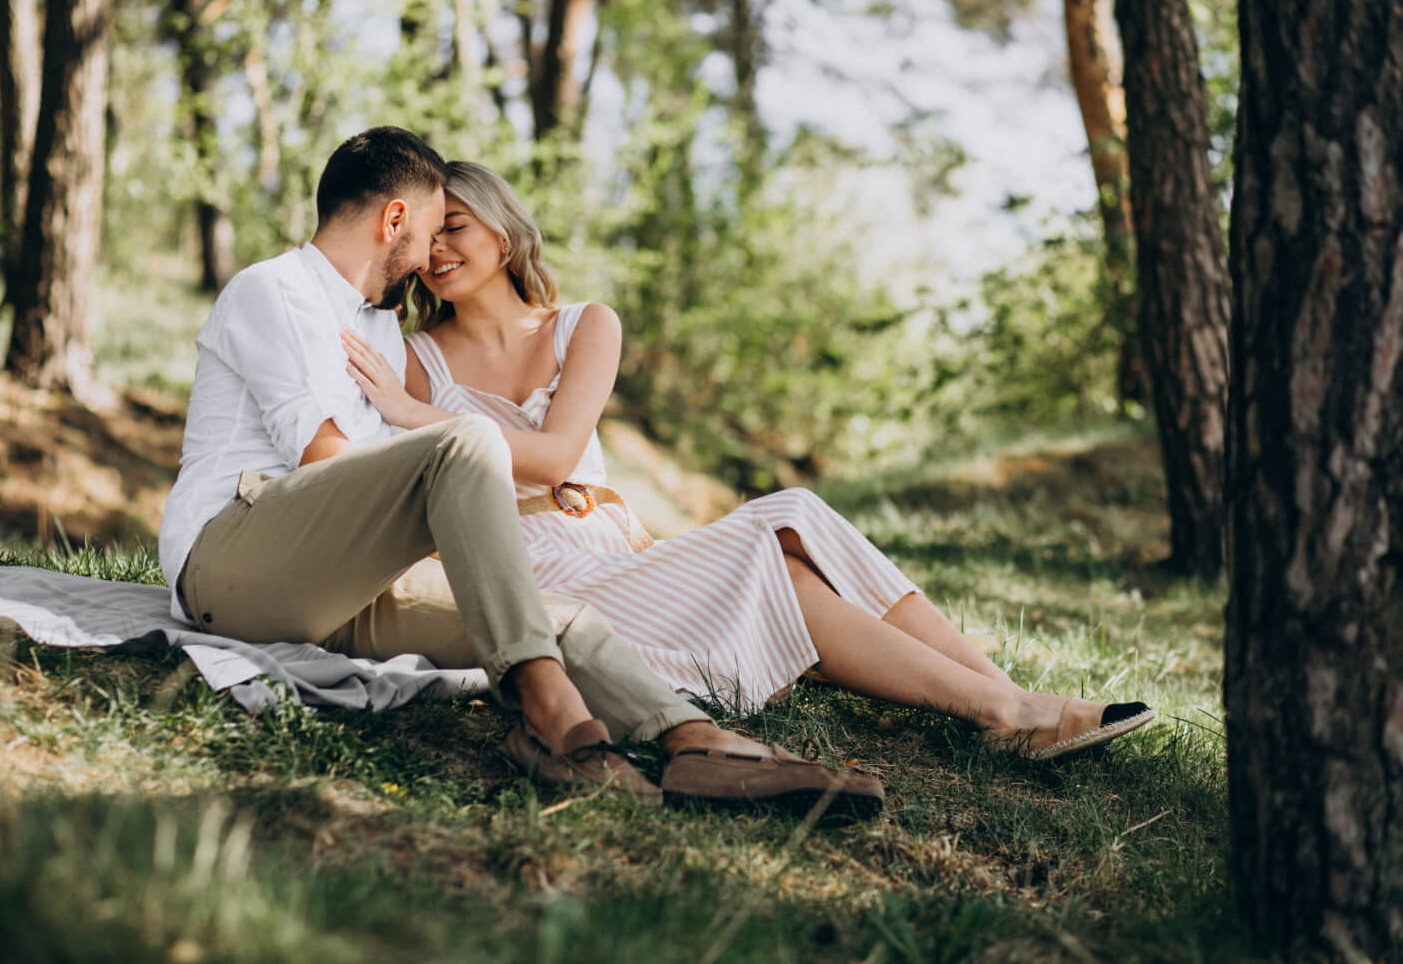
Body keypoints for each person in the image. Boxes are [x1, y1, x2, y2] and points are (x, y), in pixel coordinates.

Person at [158, 127, 885, 818]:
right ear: (395, 218)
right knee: (469, 442)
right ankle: (561, 722)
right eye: (431, 230)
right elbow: (324, 459)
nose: (430, 257)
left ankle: (694, 742)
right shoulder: (274, 290)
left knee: (554, 619)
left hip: (340, 587)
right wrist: (442, 484)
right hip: (236, 562)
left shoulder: (378, 324)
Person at [342, 160, 1156, 762]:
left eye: (458, 225)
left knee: (793, 541)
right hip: (532, 571)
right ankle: (1011, 710)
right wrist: (413, 410)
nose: (441, 249)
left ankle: (1011, 703)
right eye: (430, 234)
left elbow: (558, 455)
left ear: (502, 225)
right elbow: (544, 463)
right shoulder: (417, 364)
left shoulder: (584, 326)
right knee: (788, 525)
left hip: (615, 548)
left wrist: (422, 418)